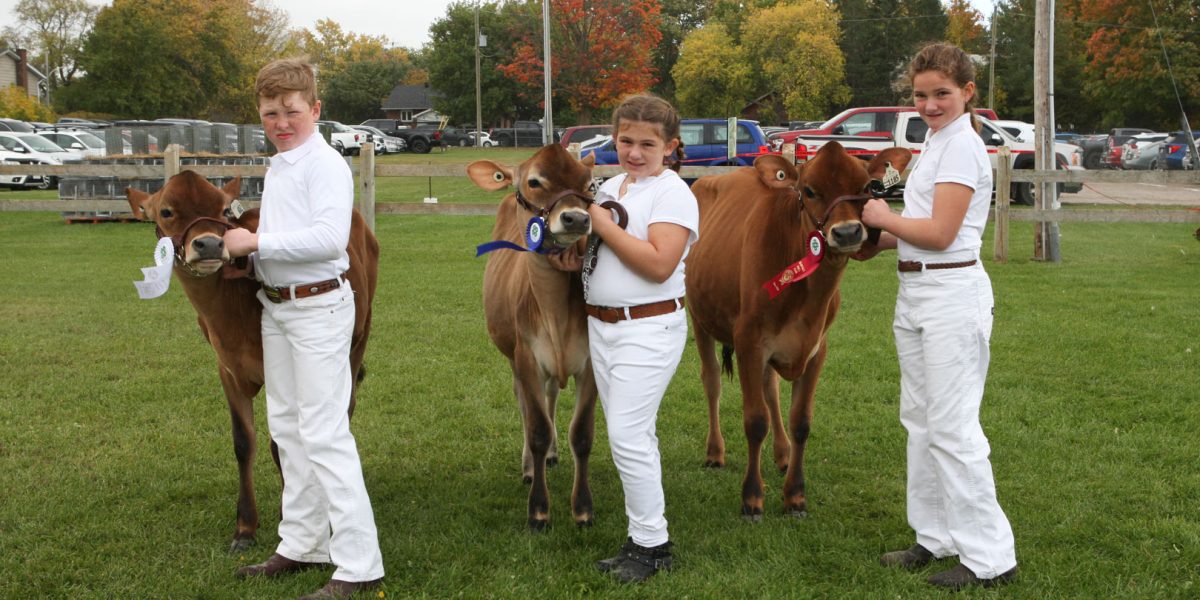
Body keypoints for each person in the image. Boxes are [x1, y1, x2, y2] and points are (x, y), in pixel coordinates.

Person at [856, 42, 1019, 591]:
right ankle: (935, 537)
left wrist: (883, 216)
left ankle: (990, 558)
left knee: (952, 427)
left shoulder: (964, 149)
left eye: (941, 94)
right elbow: (922, 227)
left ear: (967, 92)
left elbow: (943, 234)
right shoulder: (935, 144)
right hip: (918, 292)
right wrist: (872, 240)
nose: (928, 104)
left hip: (952, 294)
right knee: (921, 421)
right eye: (921, 94)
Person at [223, 57, 384, 599]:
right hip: (279, 308)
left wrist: (256, 243)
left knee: (324, 434)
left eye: (291, 111)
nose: (281, 122)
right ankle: (302, 542)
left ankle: (360, 565)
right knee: (287, 431)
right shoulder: (281, 166)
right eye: (270, 113)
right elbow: (284, 235)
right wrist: (244, 258)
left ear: (315, 109)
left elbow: (328, 240)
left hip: (319, 309)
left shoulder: (325, 164)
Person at [553, 93, 698, 583]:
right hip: (603, 325)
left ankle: (653, 546)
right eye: (626, 141)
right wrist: (576, 255)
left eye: (647, 144)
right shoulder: (612, 185)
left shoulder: (673, 193)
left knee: (628, 435)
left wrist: (601, 224)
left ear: (670, 146)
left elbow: (659, 266)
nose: (635, 152)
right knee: (632, 435)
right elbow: (600, 253)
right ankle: (641, 536)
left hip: (649, 325)